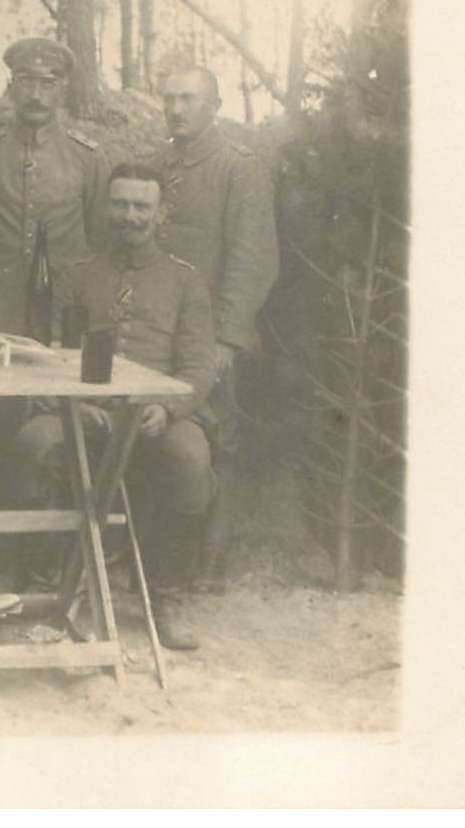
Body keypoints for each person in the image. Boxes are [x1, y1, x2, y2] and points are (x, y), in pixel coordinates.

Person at [9, 162, 218, 650]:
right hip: (82, 412)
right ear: (105, 208)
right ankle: (43, 585)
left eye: (141, 206)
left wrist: (166, 409)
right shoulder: (76, 276)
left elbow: (198, 366)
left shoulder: (184, 282)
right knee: (33, 445)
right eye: (120, 204)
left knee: (190, 460)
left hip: (154, 415)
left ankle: (164, 596)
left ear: (160, 213)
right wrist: (73, 405)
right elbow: (47, 352)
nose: (130, 216)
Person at [0, 38, 111, 524]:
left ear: (63, 89)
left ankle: (46, 531)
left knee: (55, 415)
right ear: (11, 89)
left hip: (63, 311)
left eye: (48, 84)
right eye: (26, 83)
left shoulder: (88, 159)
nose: (37, 95)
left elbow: (100, 242)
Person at [149, 68, 279, 588]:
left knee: (219, 439)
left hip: (211, 337)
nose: (177, 109)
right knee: (165, 438)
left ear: (215, 106)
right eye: (170, 98)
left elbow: (254, 259)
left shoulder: (239, 168)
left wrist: (227, 337)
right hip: (161, 332)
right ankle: (160, 555)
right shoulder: (159, 165)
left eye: (190, 99)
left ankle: (212, 557)